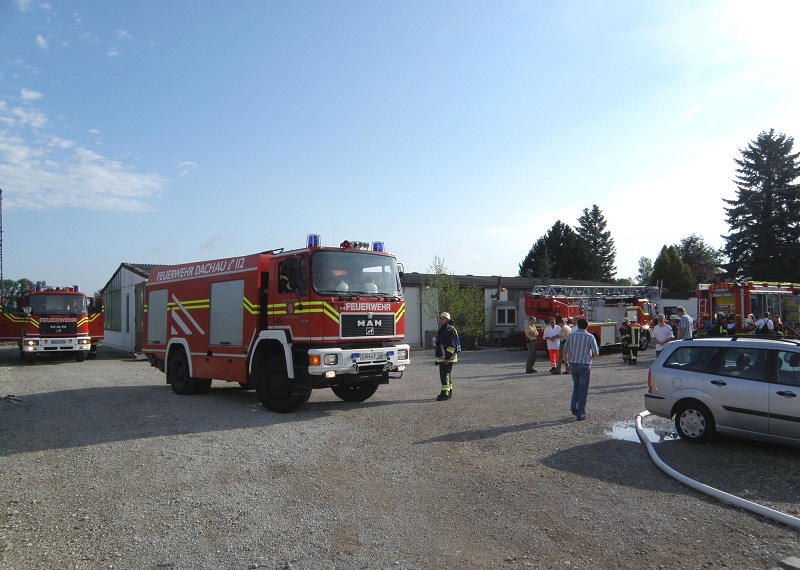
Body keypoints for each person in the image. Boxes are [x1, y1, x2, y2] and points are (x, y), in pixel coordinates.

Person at [563, 317, 600, 422]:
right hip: (584, 364)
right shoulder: (590, 337)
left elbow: (564, 351)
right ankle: (581, 413)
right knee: (583, 389)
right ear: (587, 326)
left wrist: (566, 363)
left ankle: (573, 406)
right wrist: (591, 355)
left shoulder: (571, 336)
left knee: (576, 385)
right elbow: (595, 353)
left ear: (577, 325)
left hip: (573, 364)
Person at [434, 312, 459, 401]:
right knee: (446, 376)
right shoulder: (443, 329)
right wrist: (438, 359)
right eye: (441, 318)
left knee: (445, 376)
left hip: (447, 358)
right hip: (443, 357)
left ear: (448, 320)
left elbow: (452, 345)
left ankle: (445, 394)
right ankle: (448, 393)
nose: (442, 320)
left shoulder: (449, 330)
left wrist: (448, 357)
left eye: (444, 319)